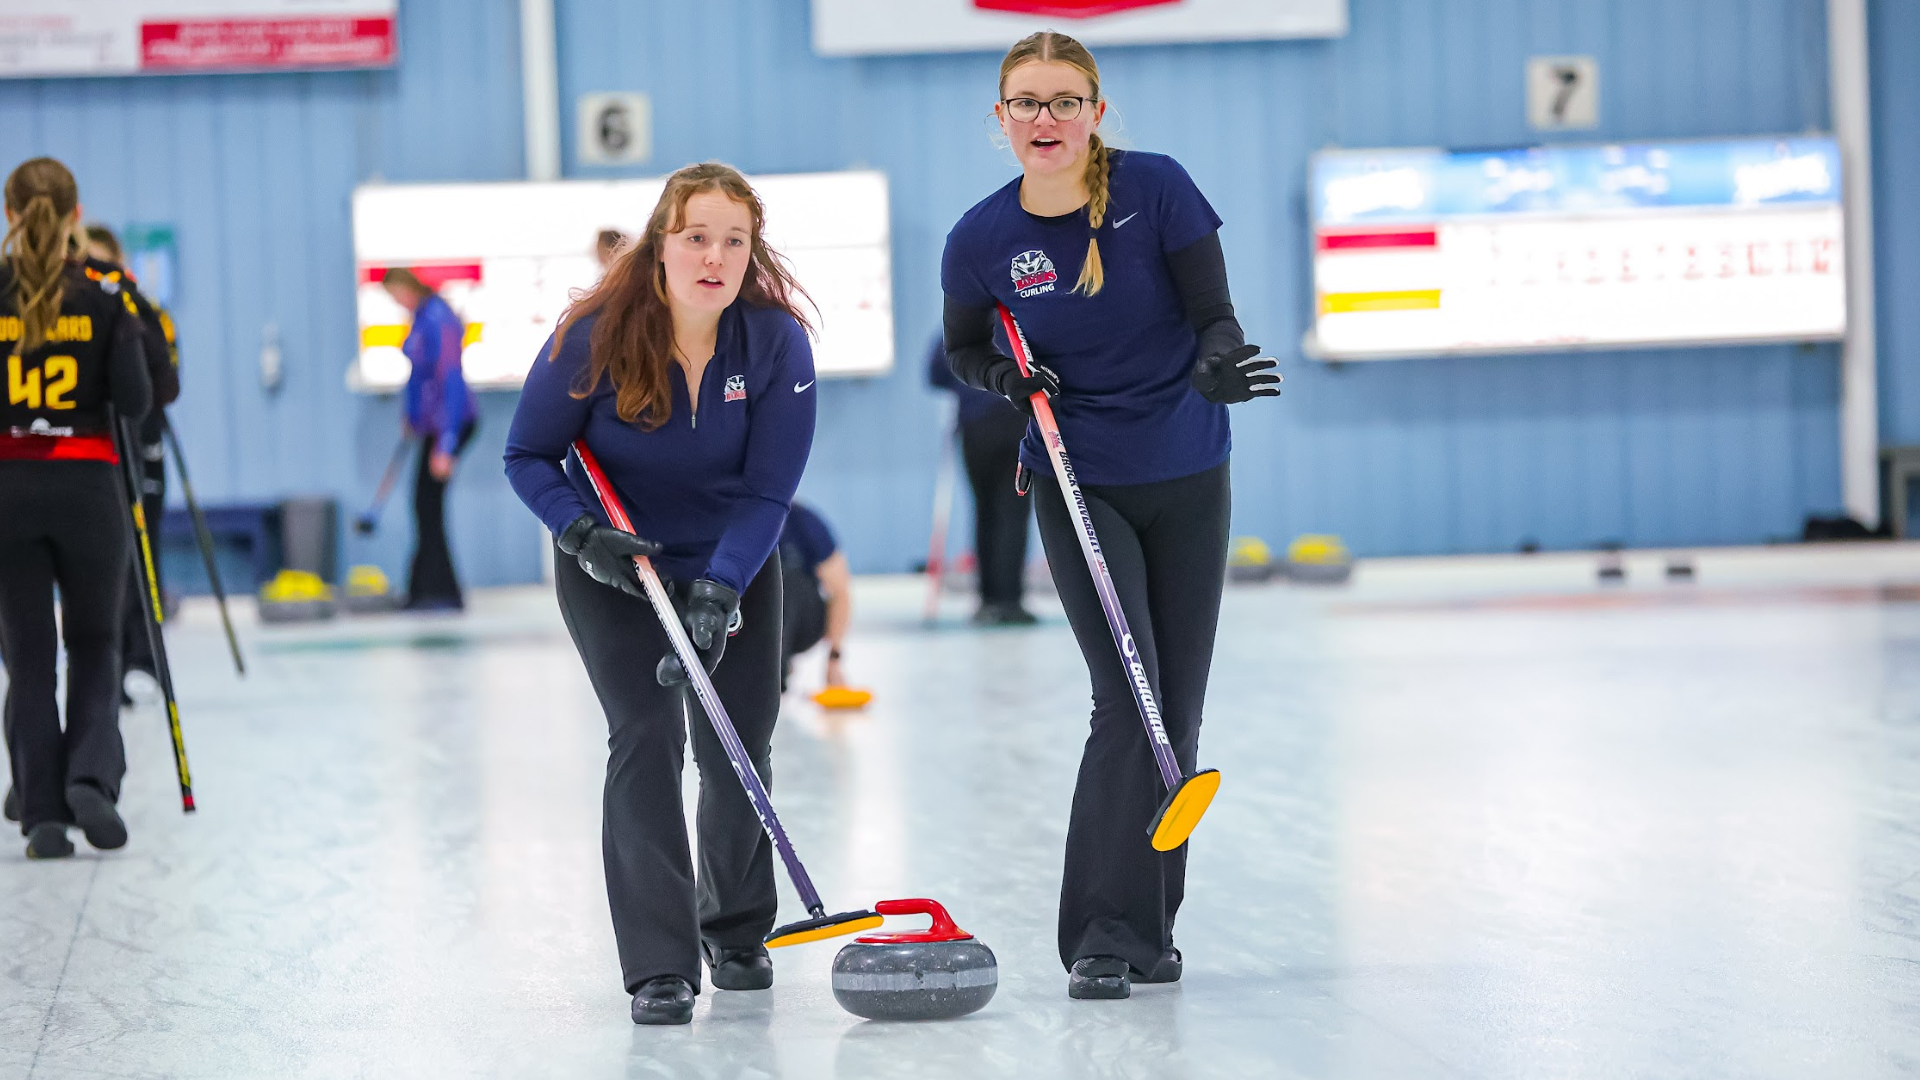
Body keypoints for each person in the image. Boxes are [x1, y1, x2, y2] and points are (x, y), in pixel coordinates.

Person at [940, 32, 1281, 1001]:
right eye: (1025, 102)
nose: (1043, 119)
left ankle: (1152, 930)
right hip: (1077, 475)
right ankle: (1099, 933)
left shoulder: (1160, 189)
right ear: (1000, 118)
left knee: (1177, 710)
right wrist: (1006, 377)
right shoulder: (980, 238)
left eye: (1062, 100)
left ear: (1096, 110)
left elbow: (1214, 315)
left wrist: (1218, 361)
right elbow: (966, 347)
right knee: (1125, 702)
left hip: (1187, 472)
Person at [504, 162, 817, 1026]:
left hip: (733, 555)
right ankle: (659, 962)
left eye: (734, 241)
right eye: (695, 237)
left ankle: (737, 926)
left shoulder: (777, 343)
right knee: (645, 737)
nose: (713, 257)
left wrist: (722, 587)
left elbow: (768, 494)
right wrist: (579, 533)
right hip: (615, 563)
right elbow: (526, 455)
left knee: (738, 742)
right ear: (659, 243)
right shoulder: (593, 335)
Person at [0, 157, 153, 858]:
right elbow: (138, 401)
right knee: (95, 643)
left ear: (9, 214)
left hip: (8, 489)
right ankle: (90, 776)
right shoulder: (102, 294)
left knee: (28, 660)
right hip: (88, 487)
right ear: (73, 215)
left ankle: (42, 814)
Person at [81, 223, 180, 694]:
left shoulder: (141, 309)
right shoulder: (80, 309)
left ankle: (146, 652)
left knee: (146, 551)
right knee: (107, 560)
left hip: (143, 442)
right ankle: (113, 662)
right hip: (97, 451)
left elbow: (169, 378)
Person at [382, 267, 477, 610]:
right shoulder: (421, 318)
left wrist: (446, 446)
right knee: (423, 506)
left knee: (428, 506)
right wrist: (412, 417)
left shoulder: (439, 318)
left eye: (395, 295)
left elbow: (450, 379)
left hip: (448, 427)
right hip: (430, 427)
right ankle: (424, 590)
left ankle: (441, 592)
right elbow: (419, 379)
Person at [926, 330, 1036, 625]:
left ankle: (988, 600)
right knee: (1013, 511)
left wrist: (965, 383)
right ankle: (1009, 601)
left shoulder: (959, 327)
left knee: (985, 511)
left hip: (976, 428)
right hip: (1017, 425)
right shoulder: (1019, 324)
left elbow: (935, 373)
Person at [776, 500, 852, 690]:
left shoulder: (803, 522)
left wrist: (834, 659)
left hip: (804, 622)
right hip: (753, 622)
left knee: (782, 580)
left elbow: (840, 592)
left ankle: (777, 666)